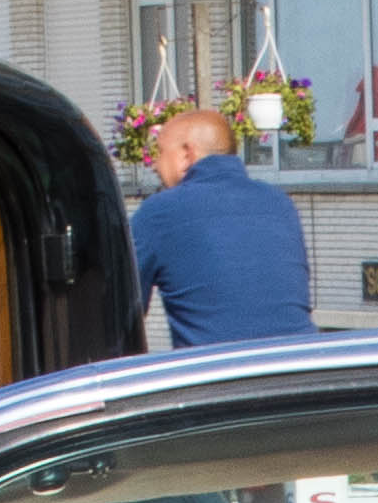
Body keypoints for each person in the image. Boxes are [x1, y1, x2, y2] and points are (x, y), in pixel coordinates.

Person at [122, 100, 311, 349]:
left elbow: (121, 316)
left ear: (186, 154)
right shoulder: (280, 204)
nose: (154, 165)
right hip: (299, 369)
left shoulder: (160, 212)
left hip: (217, 376)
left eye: (159, 152)